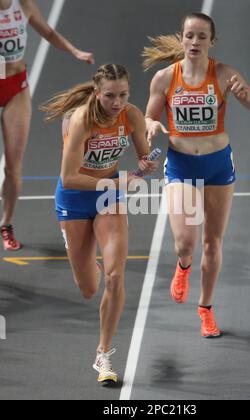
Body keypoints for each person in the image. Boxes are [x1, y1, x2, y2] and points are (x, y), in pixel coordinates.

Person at [144, 12, 250, 338]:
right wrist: (153, 126)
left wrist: (246, 97)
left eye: (202, 36)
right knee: (185, 242)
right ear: (182, 38)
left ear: (211, 42)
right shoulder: (164, 78)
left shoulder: (225, 74)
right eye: (190, 35)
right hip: (182, 166)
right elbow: (147, 119)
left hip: (217, 165)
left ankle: (205, 309)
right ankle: (184, 265)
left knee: (213, 244)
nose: (195, 41)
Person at [40, 63, 159, 385]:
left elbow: (144, 157)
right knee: (89, 288)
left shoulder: (131, 115)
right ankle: (83, 253)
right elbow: (70, 177)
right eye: (110, 96)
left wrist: (146, 163)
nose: (117, 102)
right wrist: (119, 185)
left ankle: (103, 353)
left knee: (116, 275)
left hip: (109, 197)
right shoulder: (81, 120)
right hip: (76, 197)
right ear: (97, 93)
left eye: (123, 95)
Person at [0, 0, 94, 250]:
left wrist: (76, 52)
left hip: (15, 89)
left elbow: (49, 32)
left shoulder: (22, 4)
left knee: (13, 167)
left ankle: (6, 224)